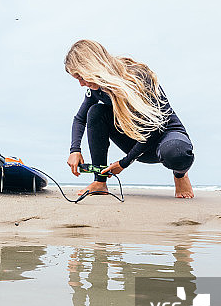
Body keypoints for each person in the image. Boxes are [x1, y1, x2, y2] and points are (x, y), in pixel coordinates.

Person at [65, 40, 194, 198]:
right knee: (95, 112)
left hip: (165, 136)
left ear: (91, 66)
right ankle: (100, 181)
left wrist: (124, 162)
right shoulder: (97, 89)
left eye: (81, 77)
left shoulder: (137, 76)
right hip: (137, 142)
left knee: (176, 153)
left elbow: (155, 127)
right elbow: (80, 119)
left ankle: (180, 175)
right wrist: (75, 150)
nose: (81, 84)